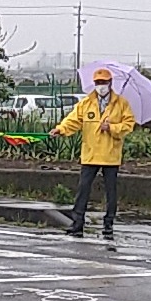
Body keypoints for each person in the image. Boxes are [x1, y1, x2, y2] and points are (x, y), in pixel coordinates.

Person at [50, 67, 136, 240]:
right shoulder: (86, 103)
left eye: (104, 82)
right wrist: (61, 129)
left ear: (110, 83)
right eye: (98, 83)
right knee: (83, 189)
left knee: (111, 191)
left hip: (111, 155)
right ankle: (77, 223)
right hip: (90, 154)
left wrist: (111, 128)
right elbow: (73, 120)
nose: (101, 86)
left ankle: (108, 223)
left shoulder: (121, 104)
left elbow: (128, 124)